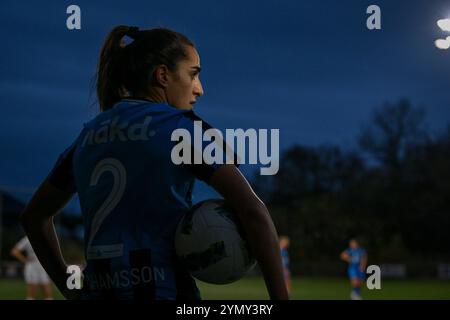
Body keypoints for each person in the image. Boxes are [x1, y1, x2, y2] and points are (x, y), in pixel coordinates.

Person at [20, 25, 288, 300]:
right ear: (162, 76)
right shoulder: (180, 129)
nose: (200, 89)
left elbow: (34, 217)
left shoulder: (88, 135)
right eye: (193, 74)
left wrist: (68, 286)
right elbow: (252, 212)